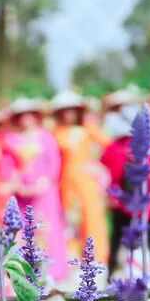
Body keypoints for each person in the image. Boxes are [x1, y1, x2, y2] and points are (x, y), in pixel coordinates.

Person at [4, 100, 71, 282]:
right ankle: (28, 270)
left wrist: (45, 182)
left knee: (47, 228)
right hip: (21, 197)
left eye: (30, 114)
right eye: (22, 115)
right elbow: (7, 164)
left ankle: (53, 271)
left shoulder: (45, 137)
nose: (26, 118)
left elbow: (54, 163)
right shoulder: (11, 139)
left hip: (44, 194)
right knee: (24, 231)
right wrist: (17, 185)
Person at [49, 90, 110, 263]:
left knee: (92, 216)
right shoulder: (55, 132)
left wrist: (99, 167)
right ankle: (75, 259)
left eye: (73, 109)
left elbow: (110, 148)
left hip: (86, 179)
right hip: (66, 181)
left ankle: (97, 257)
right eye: (65, 110)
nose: (69, 113)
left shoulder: (88, 128)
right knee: (71, 219)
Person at [100, 110, 150, 279]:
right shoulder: (140, 144)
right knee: (140, 237)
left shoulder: (117, 146)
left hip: (132, 199)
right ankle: (143, 271)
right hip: (135, 199)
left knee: (125, 237)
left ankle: (122, 271)